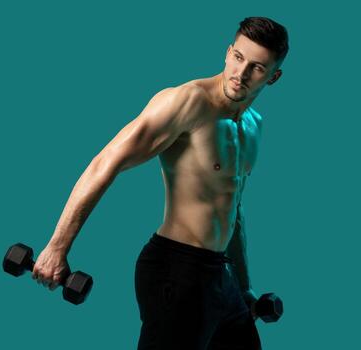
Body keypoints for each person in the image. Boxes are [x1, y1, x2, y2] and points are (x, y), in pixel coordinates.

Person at [30, 17, 289, 349]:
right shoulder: (187, 102)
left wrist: (243, 283)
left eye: (257, 67)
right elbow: (105, 163)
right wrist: (57, 247)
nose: (241, 73)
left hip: (219, 275)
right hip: (176, 270)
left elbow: (232, 208)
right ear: (228, 52)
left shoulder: (253, 126)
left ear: (273, 77)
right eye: (238, 57)